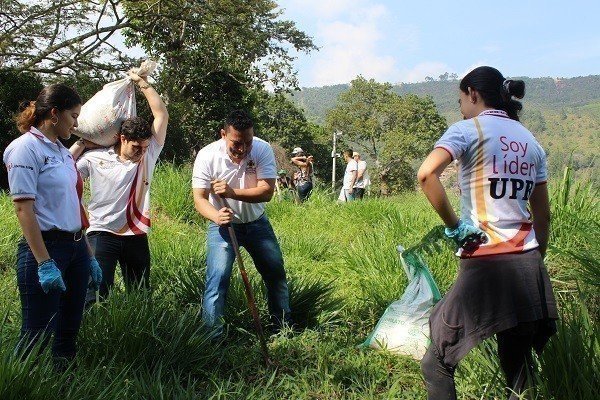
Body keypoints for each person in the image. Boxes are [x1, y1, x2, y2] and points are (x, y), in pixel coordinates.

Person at [417, 66, 557, 400]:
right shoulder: (530, 142)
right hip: (529, 264)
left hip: (486, 262)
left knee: (436, 362)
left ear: (473, 94)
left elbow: (426, 175)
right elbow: (543, 214)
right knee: (519, 367)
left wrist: (455, 227)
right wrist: (537, 257)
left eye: (461, 99)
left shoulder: (468, 130)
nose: (461, 107)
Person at [2, 84, 102, 363]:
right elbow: (24, 208)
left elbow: (71, 206)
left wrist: (89, 255)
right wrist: (44, 262)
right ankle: (20, 385)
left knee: (68, 328)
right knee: (37, 331)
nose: (77, 122)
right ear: (54, 114)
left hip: (75, 247)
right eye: (73, 115)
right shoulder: (24, 149)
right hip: (46, 249)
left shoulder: (61, 152)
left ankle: (64, 382)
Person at [70, 71, 168, 301]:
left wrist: (142, 83)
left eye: (144, 147)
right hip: (101, 232)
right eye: (136, 147)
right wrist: (82, 143)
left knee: (140, 294)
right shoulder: (95, 157)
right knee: (95, 294)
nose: (141, 152)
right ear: (122, 138)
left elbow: (161, 114)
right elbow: (64, 168)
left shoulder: (149, 154)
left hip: (135, 233)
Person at [192, 110, 292, 337]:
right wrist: (216, 216)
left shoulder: (262, 148)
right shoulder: (207, 156)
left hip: (257, 224)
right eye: (237, 143)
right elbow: (199, 199)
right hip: (223, 228)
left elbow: (266, 192)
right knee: (217, 282)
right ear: (223, 135)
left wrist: (231, 192)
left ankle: (283, 328)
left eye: (247, 142)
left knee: (275, 276)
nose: (243, 149)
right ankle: (212, 338)